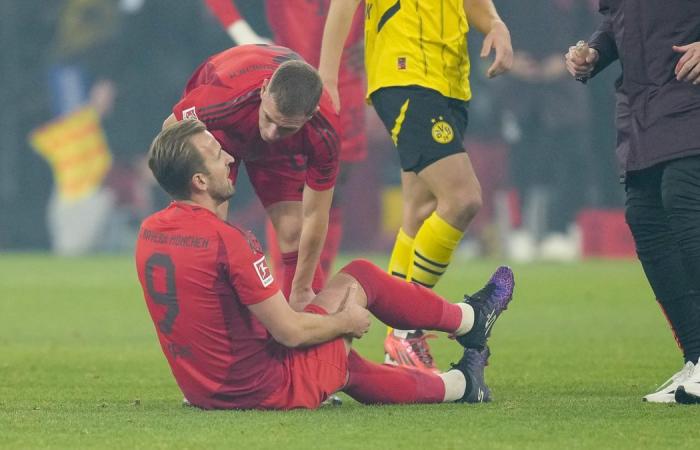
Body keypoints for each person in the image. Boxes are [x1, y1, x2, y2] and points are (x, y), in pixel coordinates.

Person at [135, 119, 516, 409]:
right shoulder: (229, 242)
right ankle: (468, 337)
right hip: (260, 389)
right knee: (360, 282)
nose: (231, 159)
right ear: (200, 180)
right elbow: (290, 333)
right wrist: (343, 323)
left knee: (335, 356)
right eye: (219, 157)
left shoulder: (149, 232)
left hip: (201, 388)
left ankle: (464, 375)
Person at [319, 0, 513, 372]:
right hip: (405, 72)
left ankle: (398, 343)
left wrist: (495, 24)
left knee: (421, 211)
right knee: (462, 198)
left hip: (449, 79)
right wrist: (327, 75)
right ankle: (408, 330)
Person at [565, 0, 700, 404]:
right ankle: (696, 358)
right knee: (645, 218)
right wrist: (593, 52)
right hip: (643, 102)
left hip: (690, 93)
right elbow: (617, 21)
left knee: (684, 200)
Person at [162, 44, 340, 310]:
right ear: (264, 89)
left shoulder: (325, 132)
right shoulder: (225, 97)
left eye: (284, 127)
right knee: (211, 229)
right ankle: (208, 312)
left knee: (294, 231)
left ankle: (302, 333)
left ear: (310, 115)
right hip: (221, 133)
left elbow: (316, 215)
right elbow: (170, 129)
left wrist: (302, 290)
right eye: (269, 117)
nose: (270, 132)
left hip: (278, 151)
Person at [203, 0, 367, 279]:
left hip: (345, 81)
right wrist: (244, 34)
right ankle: (286, 289)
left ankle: (313, 288)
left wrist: (378, 41)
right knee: (290, 192)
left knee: (333, 188)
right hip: (287, 83)